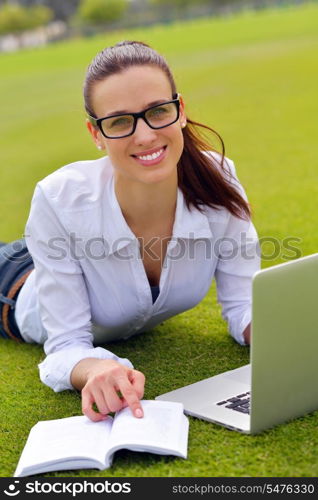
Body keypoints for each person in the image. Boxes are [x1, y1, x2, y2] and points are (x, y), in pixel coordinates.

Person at [0, 40, 260, 423]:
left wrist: (280, 333)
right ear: (96, 134)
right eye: (120, 121)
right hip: (14, 284)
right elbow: (66, 346)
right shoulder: (58, 199)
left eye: (158, 111)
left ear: (180, 111)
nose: (145, 136)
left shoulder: (218, 180)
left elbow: (244, 305)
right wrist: (95, 370)